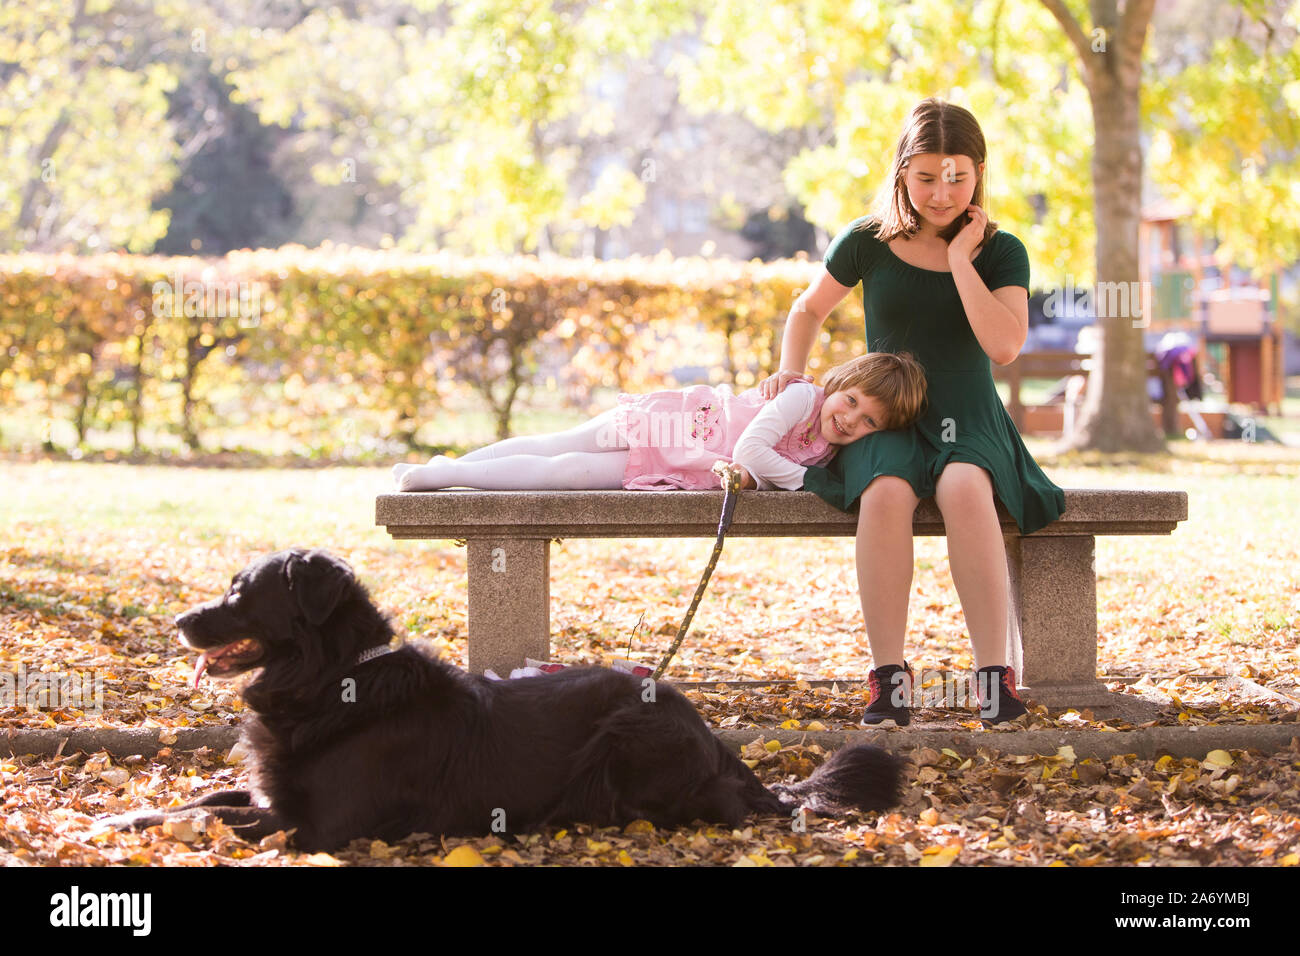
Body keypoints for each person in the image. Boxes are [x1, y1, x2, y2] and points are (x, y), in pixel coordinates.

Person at [759, 97, 1066, 726]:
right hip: (886, 415)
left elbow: (1005, 346)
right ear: (903, 172)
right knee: (887, 491)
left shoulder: (1001, 251)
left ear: (979, 172)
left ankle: (992, 678)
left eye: (957, 176)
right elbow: (808, 308)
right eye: (926, 177)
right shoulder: (867, 240)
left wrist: (960, 260)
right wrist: (793, 370)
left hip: (967, 413)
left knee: (963, 485)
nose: (941, 193)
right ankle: (889, 679)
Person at [392, 351, 927, 493]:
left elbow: (752, 469)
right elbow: (751, 452)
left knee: (569, 471)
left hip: (676, 467)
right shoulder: (803, 398)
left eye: (870, 422)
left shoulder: (826, 449)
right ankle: (447, 470)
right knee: (557, 444)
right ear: (839, 385)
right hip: (670, 425)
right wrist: (809, 483)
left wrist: (763, 476)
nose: (851, 418)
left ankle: (446, 470)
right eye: (852, 400)